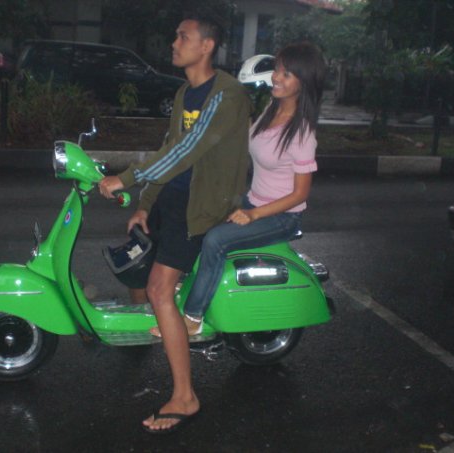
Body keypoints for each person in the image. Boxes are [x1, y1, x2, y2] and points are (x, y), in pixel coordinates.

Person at [98, 13, 251, 433]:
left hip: (201, 205)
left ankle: (185, 396)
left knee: (159, 289)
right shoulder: (185, 91)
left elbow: (189, 148)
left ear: (207, 46)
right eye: (176, 36)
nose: (174, 42)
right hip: (173, 197)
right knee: (136, 254)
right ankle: (144, 332)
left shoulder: (228, 95)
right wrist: (145, 203)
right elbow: (169, 146)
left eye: (183, 37)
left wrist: (127, 178)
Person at [167, 42, 327, 336]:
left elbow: (300, 195)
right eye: (277, 70)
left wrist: (253, 215)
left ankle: (193, 317)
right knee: (199, 211)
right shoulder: (271, 110)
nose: (276, 77)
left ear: (303, 83)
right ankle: (190, 278)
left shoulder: (302, 132)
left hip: (282, 216)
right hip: (253, 200)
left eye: (287, 74)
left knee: (216, 240)